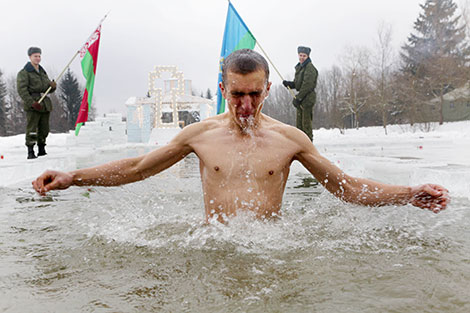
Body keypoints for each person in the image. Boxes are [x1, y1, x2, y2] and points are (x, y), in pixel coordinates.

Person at [32, 49, 449, 223]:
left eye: (254, 95)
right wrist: (74, 176)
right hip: (213, 244)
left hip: (269, 247)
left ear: (267, 89)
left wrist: (407, 192)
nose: (246, 106)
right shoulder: (200, 134)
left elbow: (348, 187)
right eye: (237, 95)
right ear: (223, 88)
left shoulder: (291, 139)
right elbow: (138, 168)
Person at [17, 47, 57, 159]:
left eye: (39, 56)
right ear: (30, 57)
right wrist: (31, 103)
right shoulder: (24, 73)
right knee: (32, 129)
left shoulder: (42, 72)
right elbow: (22, 90)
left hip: (44, 104)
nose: (38, 58)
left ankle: (42, 148)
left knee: (44, 128)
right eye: (35, 56)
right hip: (34, 104)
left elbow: (47, 88)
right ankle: (30, 150)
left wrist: (52, 86)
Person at [282, 46, 318, 141]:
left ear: (308, 56)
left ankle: (308, 144)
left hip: (307, 98)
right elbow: (298, 84)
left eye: (304, 56)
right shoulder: (300, 68)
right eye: (300, 55)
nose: (302, 57)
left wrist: (299, 98)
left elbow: (307, 86)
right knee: (299, 125)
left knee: (306, 124)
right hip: (301, 99)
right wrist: (289, 84)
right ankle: (301, 144)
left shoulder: (310, 68)